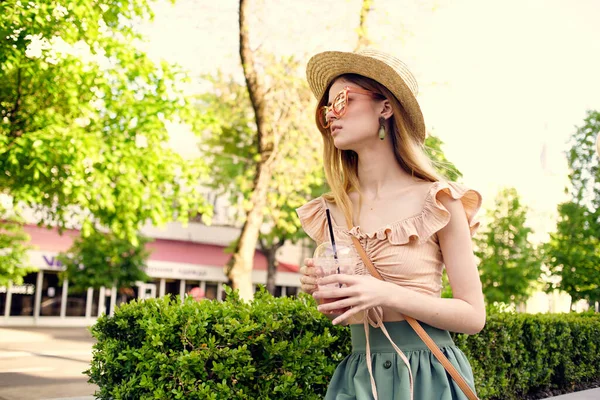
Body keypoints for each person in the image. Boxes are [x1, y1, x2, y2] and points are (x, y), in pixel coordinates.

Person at [296, 49, 485, 400]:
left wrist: (387, 293)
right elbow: (346, 308)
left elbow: (474, 316)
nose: (330, 116)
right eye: (326, 110)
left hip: (429, 377)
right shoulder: (329, 210)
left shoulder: (439, 201)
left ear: (385, 107)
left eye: (342, 100)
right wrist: (320, 288)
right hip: (356, 379)